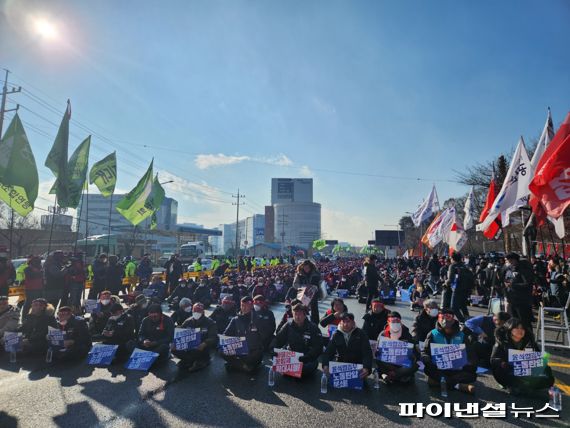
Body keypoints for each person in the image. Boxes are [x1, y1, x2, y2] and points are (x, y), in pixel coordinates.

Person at [490, 318, 555, 395]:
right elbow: (493, 360)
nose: (520, 330)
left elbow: (539, 357)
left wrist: (540, 361)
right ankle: (511, 385)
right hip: (509, 370)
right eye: (517, 328)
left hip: (525, 370)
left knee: (547, 372)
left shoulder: (529, 342)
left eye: (522, 328)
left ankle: (526, 386)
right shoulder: (502, 342)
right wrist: (504, 363)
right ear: (510, 329)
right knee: (500, 369)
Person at [421, 309, 477, 394]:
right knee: (428, 369)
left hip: (457, 370)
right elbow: (425, 351)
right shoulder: (432, 334)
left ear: (454, 319)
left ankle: (440, 382)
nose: (445, 320)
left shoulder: (462, 335)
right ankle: (458, 386)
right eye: (442, 317)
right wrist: (426, 358)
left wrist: (469, 362)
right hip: (439, 368)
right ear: (438, 319)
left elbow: (470, 353)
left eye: (448, 317)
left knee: (472, 374)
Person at [271, 303, 322, 377]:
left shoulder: (313, 327)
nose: (297, 317)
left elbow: (318, 346)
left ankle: (292, 372)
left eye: (300, 314)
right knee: (278, 361)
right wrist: (273, 349)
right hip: (291, 355)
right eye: (295, 314)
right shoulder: (288, 325)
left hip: (306, 357)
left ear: (305, 315)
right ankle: (292, 371)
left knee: (307, 368)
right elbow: (278, 339)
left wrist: (308, 356)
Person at [321, 312, 372, 380]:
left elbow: (367, 353)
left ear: (353, 322)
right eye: (343, 321)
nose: (345, 324)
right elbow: (328, 352)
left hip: (357, 365)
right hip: (341, 365)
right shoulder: (336, 334)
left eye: (348, 322)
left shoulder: (361, 334)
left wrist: (366, 368)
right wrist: (325, 365)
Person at [172, 303, 218, 372]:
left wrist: (204, 343)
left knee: (198, 352)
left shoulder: (210, 323)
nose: (196, 313)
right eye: (195, 311)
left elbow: (213, 337)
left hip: (201, 348)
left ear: (203, 312)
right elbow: (180, 333)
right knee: (173, 349)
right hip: (188, 347)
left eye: (199, 311)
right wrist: (175, 343)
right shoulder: (188, 321)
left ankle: (202, 360)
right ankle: (189, 361)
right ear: (192, 311)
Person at [222, 296, 264, 372]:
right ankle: (243, 366)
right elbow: (226, 334)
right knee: (221, 350)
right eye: (242, 305)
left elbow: (264, 337)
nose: (243, 308)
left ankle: (236, 365)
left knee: (254, 357)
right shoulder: (235, 319)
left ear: (251, 306)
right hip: (239, 348)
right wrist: (232, 343)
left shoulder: (259, 319)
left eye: (246, 306)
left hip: (252, 350)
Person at [375, 311, 418, 384]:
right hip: (388, 363)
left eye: (397, 321)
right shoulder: (383, 334)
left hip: (402, 364)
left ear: (401, 322)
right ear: (388, 322)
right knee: (378, 359)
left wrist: (411, 355)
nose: (395, 323)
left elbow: (414, 351)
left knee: (415, 366)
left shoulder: (406, 334)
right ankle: (399, 377)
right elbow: (377, 351)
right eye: (393, 321)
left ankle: (391, 376)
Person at [504, 253, 535, 331]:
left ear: (514, 260)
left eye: (510, 261)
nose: (509, 263)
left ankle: (529, 339)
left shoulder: (523, 269)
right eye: (507, 261)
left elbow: (527, 283)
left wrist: (513, 285)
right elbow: (507, 278)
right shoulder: (509, 269)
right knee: (514, 322)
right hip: (512, 299)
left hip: (522, 300)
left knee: (524, 322)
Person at [292, 260, 321, 325]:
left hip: (313, 294)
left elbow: (321, 282)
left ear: (310, 267)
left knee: (314, 311)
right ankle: (302, 324)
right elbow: (295, 284)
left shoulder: (316, 273)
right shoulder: (299, 273)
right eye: (304, 267)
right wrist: (303, 287)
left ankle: (315, 325)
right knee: (302, 310)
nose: (306, 269)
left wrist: (316, 287)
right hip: (302, 295)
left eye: (307, 267)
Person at [445, 252, 472, 322]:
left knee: (453, 307)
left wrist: (445, 283)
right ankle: (468, 320)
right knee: (463, 306)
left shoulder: (453, 266)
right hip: (466, 288)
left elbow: (450, 279)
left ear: (453, 258)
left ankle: (462, 321)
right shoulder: (465, 265)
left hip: (457, 288)